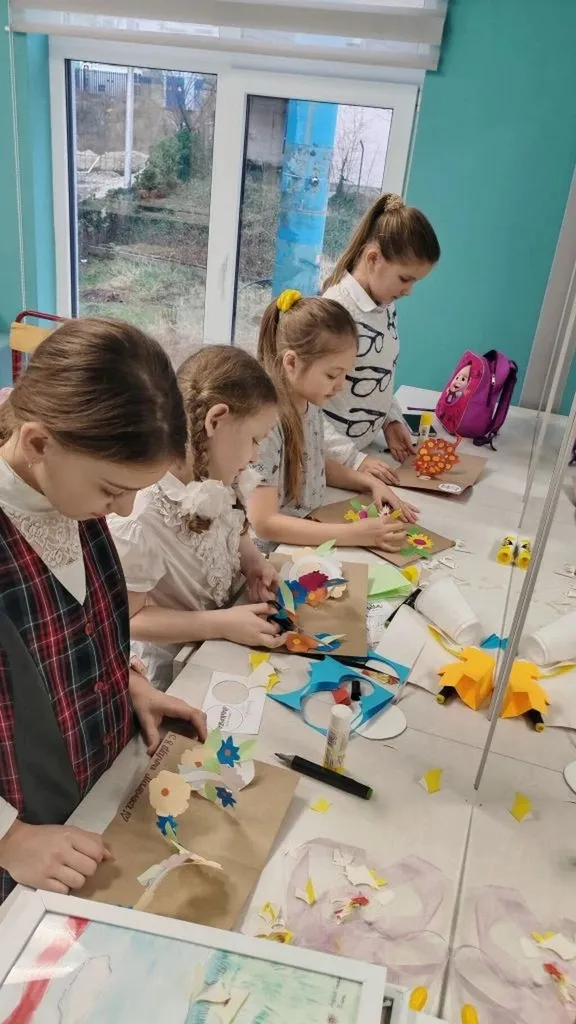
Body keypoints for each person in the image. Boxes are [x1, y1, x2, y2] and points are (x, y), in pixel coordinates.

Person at [0, 318, 207, 903]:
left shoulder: (73, 501)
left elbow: (79, 629)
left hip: (98, 798)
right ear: (39, 443)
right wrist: (10, 838)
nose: (125, 509)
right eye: (113, 489)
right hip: (30, 853)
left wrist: (128, 684)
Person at [110, 345, 284, 690]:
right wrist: (220, 624)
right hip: (179, 673)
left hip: (224, 643)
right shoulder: (140, 516)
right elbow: (130, 619)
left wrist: (252, 563)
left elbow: (233, 530)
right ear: (215, 420)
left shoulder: (216, 477)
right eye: (254, 440)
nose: (255, 456)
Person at [248, 290, 418, 551]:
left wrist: (370, 482)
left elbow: (313, 465)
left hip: (310, 535)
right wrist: (354, 534)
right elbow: (264, 523)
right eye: (332, 375)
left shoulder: (311, 404)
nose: (340, 386)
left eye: (345, 375)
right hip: (274, 555)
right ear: (292, 363)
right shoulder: (267, 426)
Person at [322, 193, 440, 483]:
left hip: (363, 453)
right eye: (405, 279)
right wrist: (353, 459)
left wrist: (391, 419)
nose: (409, 290)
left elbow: (380, 375)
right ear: (373, 258)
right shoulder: (336, 311)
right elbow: (304, 409)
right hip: (331, 461)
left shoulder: (385, 306)